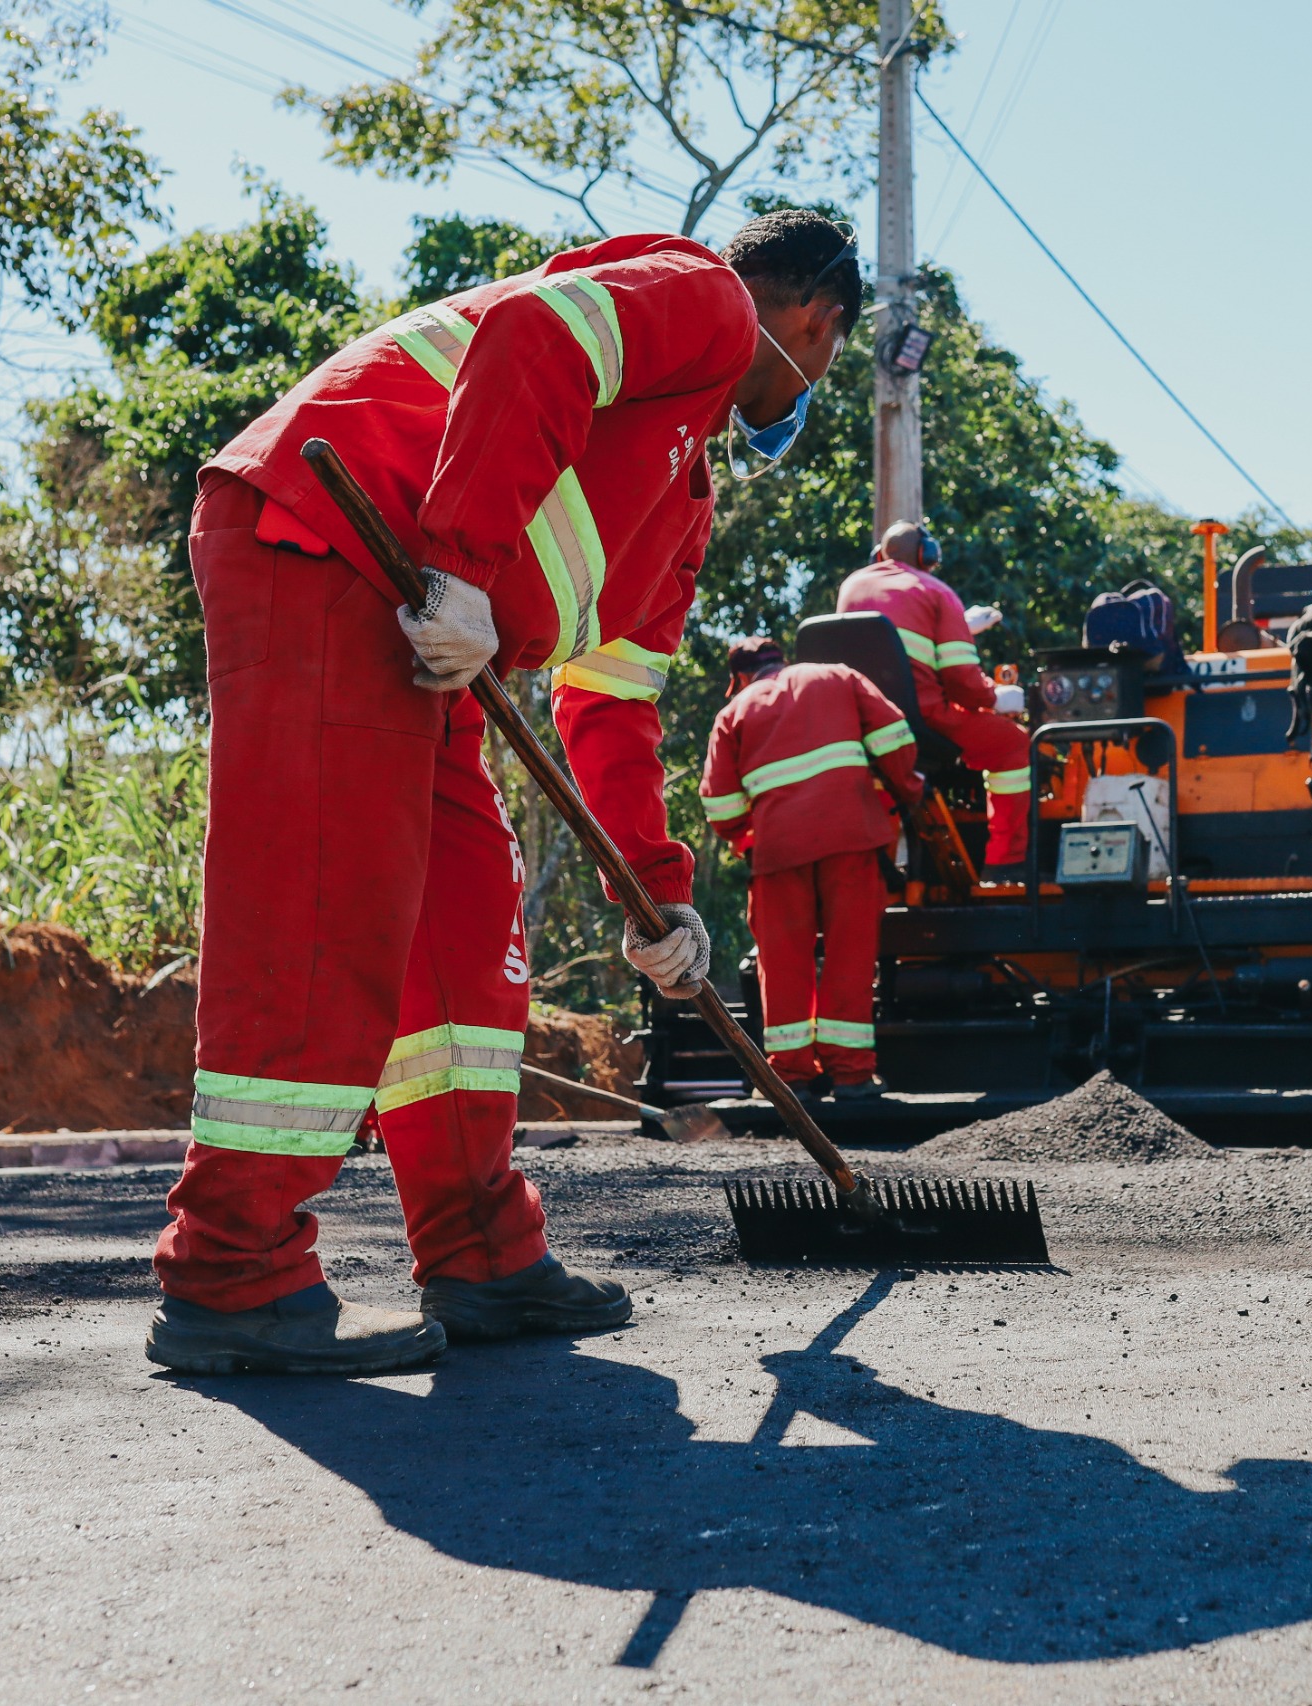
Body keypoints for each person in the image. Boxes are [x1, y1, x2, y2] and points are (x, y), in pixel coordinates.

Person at [148, 208, 858, 1375]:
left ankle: (481, 1254)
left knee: (467, 939)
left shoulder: (678, 500)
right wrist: (463, 567)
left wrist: (659, 898)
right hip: (333, 544)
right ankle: (233, 1270)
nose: (813, 375)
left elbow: (611, 703)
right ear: (819, 319)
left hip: (418, 626)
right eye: (827, 352)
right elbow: (532, 332)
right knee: (332, 904)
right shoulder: (706, 300)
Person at [699, 636, 922, 1099]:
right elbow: (894, 738)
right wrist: (905, 792)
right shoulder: (837, 676)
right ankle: (852, 1075)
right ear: (783, 660)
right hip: (852, 838)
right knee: (851, 953)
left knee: (782, 962)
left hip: (778, 852)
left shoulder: (734, 713)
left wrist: (750, 837)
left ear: (740, 678)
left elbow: (719, 807)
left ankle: (789, 1078)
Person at [836, 521, 1031, 875]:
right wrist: (996, 698)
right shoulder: (937, 592)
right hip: (921, 721)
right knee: (1013, 745)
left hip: (855, 723)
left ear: (879, 554)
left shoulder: (851, 585)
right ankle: (1006, 865)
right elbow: (962, 682)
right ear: (927, 555)